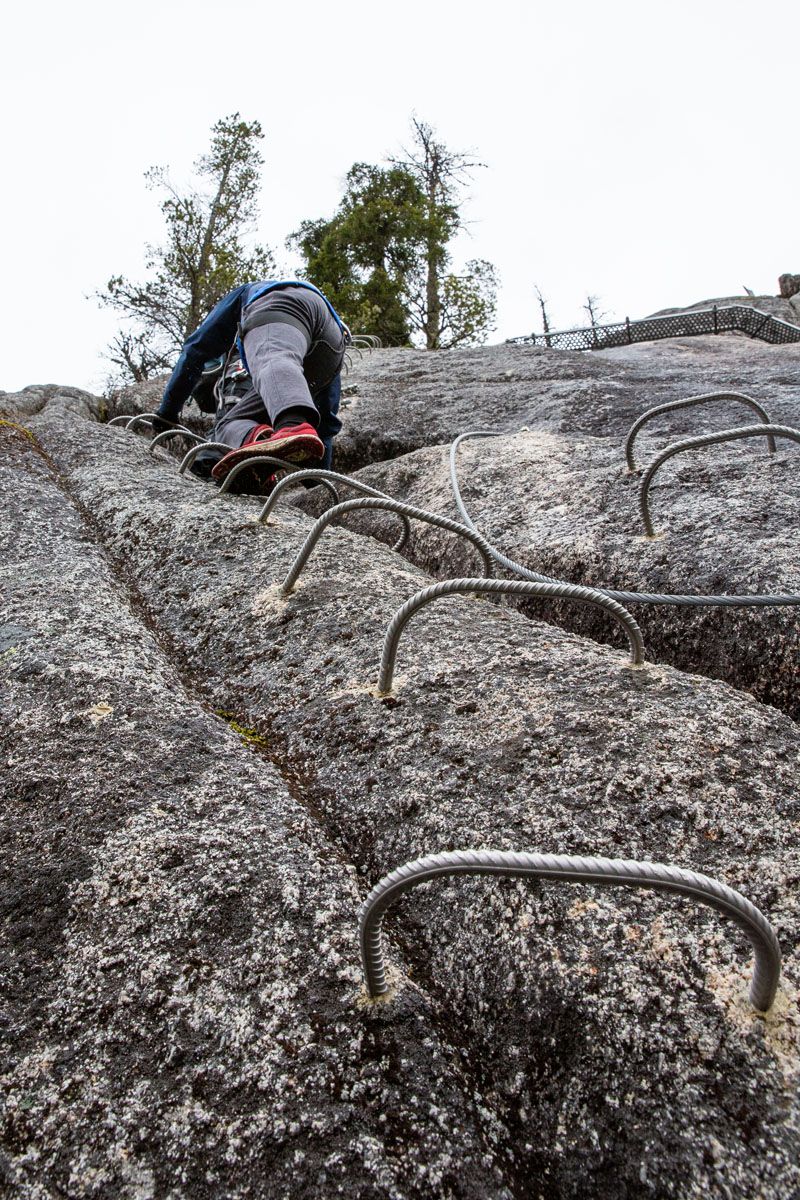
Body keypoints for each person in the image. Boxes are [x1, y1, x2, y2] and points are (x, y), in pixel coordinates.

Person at [153, 280, 349, 490]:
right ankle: (260, 443)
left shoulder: (249, 293)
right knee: (231, 422)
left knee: (272, 356)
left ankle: (291, 426)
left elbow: (194, 350)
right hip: (334, 343)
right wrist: (318, 485)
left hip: (285, 307)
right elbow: (327, 419)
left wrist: (168, 412)